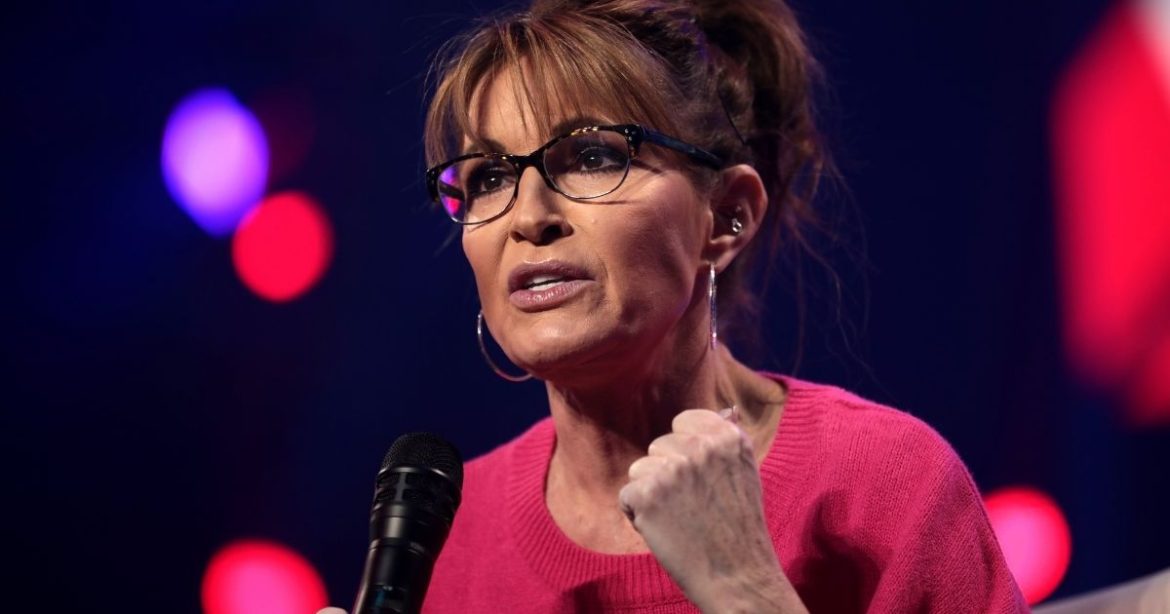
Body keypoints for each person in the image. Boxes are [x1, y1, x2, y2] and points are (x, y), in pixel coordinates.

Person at [358, 0, 1027, 611]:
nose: (528, 218)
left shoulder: (885, 487)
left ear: (727, 216)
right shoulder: (446, 537)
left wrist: (742, 589)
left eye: (591, 156)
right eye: (489, 176)